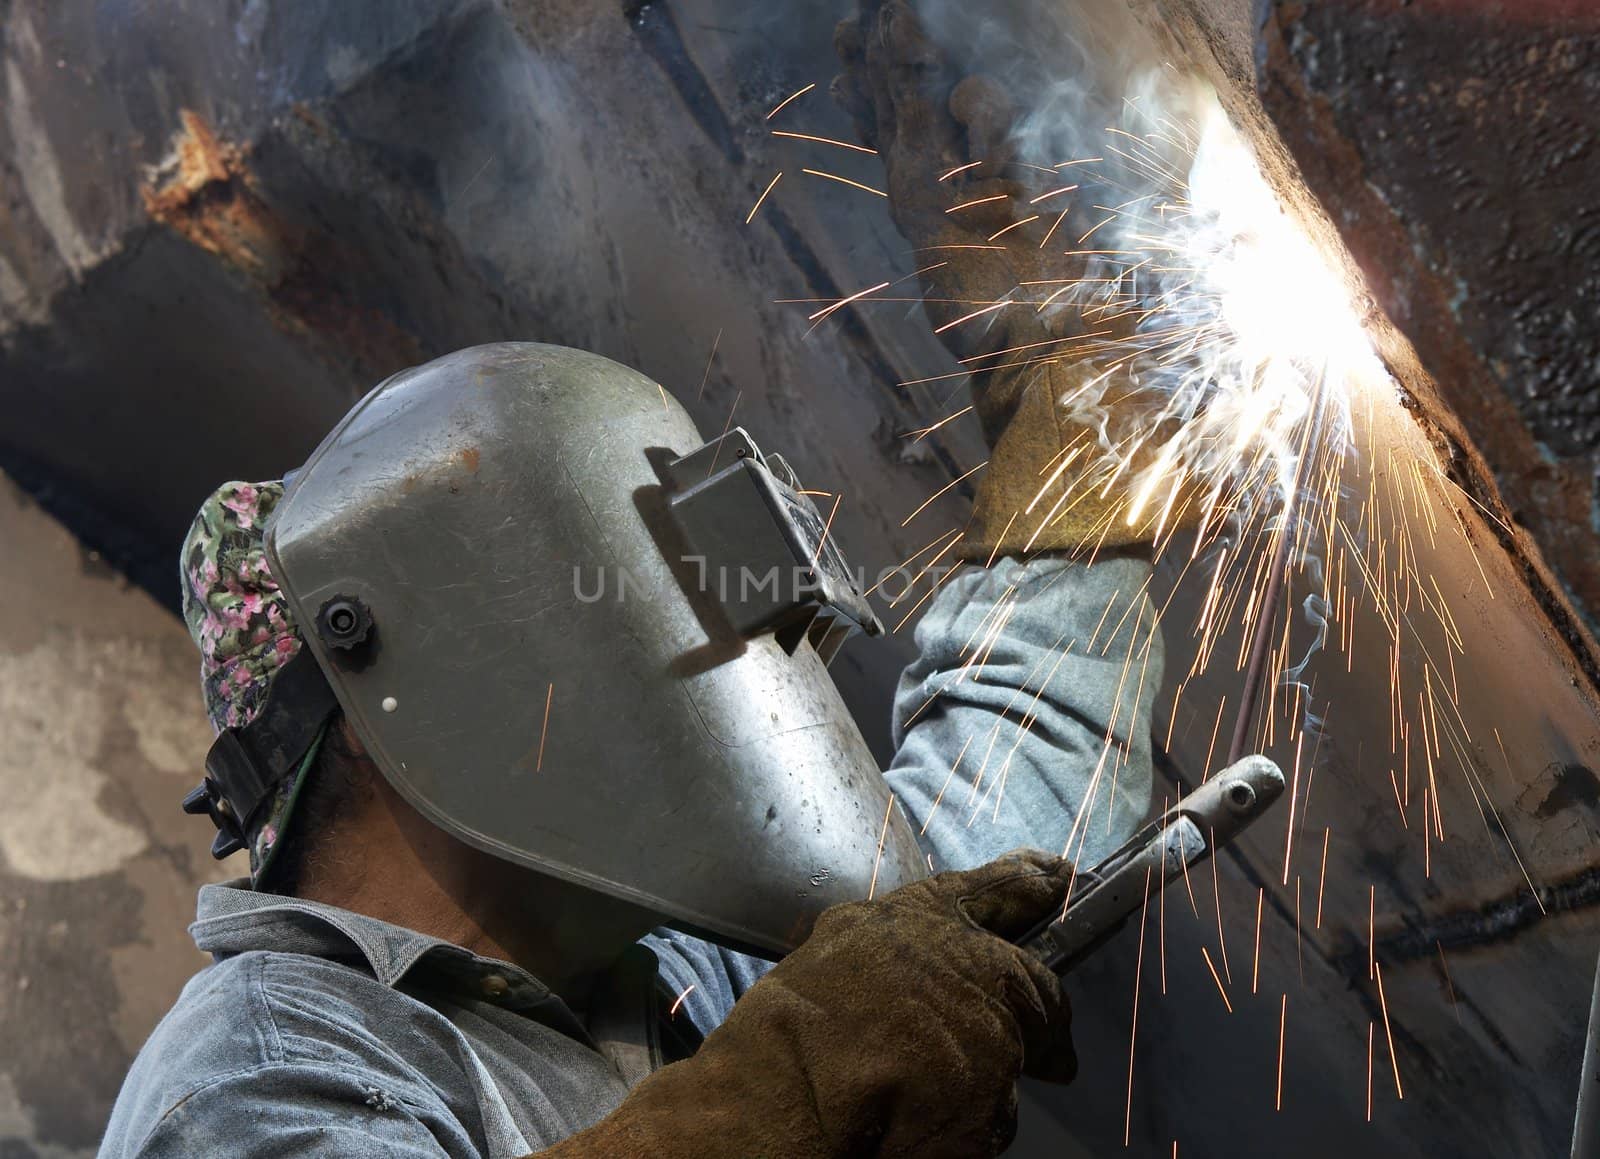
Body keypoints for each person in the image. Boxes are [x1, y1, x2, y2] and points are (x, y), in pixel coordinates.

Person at [101, 6, 1175, 1155]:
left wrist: (1069, 421)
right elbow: (815, 1048)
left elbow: (962, 859)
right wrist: (787, 1090)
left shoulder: (661, 980)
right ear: (378, 698)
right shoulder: (259, 1068)